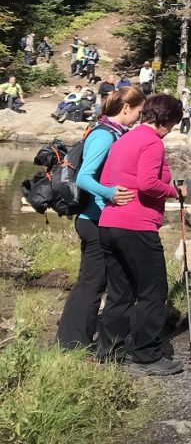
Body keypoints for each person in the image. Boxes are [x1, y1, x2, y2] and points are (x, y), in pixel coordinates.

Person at [97, 93, 185, 376]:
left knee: (120, 293)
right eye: (172, 124)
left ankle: (110, 352)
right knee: (153, 292)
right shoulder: (152, 141)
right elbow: (148, 183)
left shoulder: (123, 139)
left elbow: (109, 180)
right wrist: (174, 191)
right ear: (165, 120)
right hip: (137, 225)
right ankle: (146, 357)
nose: (171, 130)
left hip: (109, 224)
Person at [56, 87, 144, 353]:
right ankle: (72, 343)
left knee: (94, 280)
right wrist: (111, 194)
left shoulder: (114, 132)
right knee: (92, 282)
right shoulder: (104, 135)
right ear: (126, 108)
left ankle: (73, 338)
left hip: (97, 219)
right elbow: (84, 177)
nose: (139, 118)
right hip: (91, 218)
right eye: (138, 112)